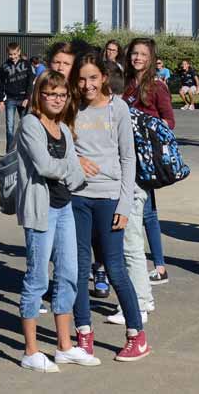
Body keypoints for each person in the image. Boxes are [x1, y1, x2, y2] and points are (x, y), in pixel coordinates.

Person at [16, 70, 99, 371]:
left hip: (64, 208)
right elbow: (45, 166)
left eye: (62, 95)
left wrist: (71, 167)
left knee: (68, 275)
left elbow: (68, 170)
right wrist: (73, 165)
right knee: (37, 278)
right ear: (39, 95)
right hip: (41, 210)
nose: (56, 99)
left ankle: (64, 346)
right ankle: (30, 351)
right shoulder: (30, 124)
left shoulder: (63, 128)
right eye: (50, 94)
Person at [69, 55, 150, 362]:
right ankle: (84, 334)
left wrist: (125, 204)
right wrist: (75, 160)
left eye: (92, 78)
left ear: (103, 77)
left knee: (115, 268)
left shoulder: (119, 108)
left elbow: (128, 158)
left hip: (109, 198)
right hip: (77, 198)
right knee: (78, 269)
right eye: (81, 79)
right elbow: (61, 146)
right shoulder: (72, 107)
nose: (87, 85)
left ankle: (137, 335)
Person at [123, 39, 173, 291]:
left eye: (143, 54)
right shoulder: (125, 84)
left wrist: (149, 127)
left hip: (145, 158)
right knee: (140, 210)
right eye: (134, 53)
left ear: (151, 58)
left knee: (148, 213)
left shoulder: (157, 86)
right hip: (123, 154)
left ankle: (159, 266)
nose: (138, 58)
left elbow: (169, 121)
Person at [0, 43, 34, 153]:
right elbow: (0, 84)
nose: (12, 56)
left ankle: (25, 150)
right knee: (10, 127)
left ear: (19, 52)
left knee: (25, 126)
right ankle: (9, 152)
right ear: (7, 53)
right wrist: (1, 100)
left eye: (14, 54)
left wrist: (27, 98)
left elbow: (30, 82)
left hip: (23, 99)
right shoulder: (4, 66)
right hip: (10, 99)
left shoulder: (26, 64)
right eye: (10, 54)